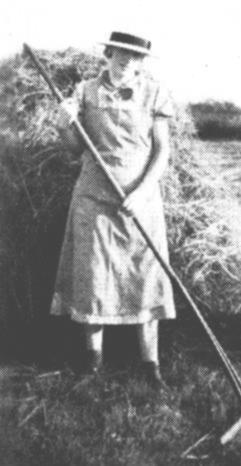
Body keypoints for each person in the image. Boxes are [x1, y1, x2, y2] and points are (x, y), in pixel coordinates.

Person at [51, 31, 176, 384]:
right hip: (93, 198)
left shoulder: (155, 94)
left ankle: (150, 364)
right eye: (122, 53)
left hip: (140, 202)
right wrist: (65, 125)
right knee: (93, 278)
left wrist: (143, 190)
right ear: (108, 53)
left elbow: (162, 151)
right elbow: (75, 149)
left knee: (145, 276)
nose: (128, 61)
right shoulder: (85, 92)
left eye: (136, 57)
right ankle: (93, 361)